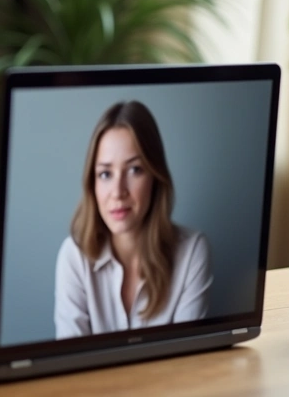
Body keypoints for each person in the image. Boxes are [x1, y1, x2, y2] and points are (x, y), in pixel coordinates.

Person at [53, 100, 211, 338]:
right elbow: (68, 367)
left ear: (155, 177)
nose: (118, 191)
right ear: (92, 184)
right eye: (105, 174)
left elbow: (187, 364)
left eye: (135, 170)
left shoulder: (192, 253)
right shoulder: (73, 257)